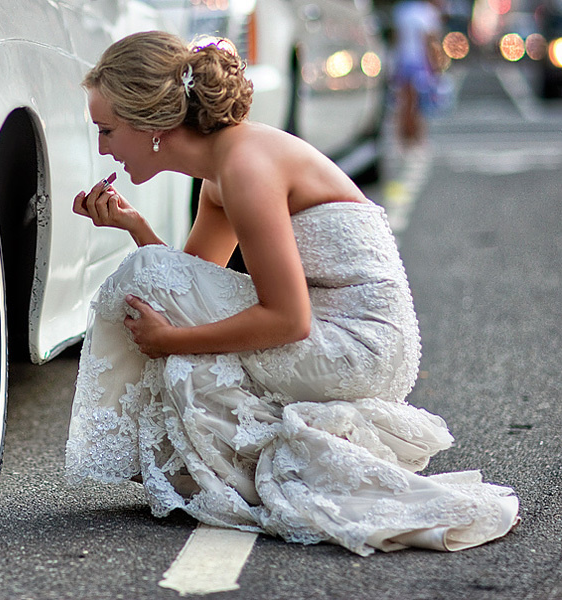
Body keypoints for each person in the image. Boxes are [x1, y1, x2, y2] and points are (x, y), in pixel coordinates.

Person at [63, 31, 518, 556]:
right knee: (151, 282)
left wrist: (171, 342)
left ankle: (226, 468)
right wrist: (134, 226)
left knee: (162, 311)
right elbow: (185, 281)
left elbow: (288, 320)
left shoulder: (245, 168)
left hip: (357, 347)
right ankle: (204, 462)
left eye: (107, 130)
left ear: (154, 126)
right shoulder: (222, 170)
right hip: (335, 332)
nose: (102, 149)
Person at [391, 0, 445, 145]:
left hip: (403, 61)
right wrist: (436, 67)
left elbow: (397, 39)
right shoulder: (428, 13)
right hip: (420, 63)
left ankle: (405, 137)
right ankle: (416, 137)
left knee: (405, 103)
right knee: (420, 105)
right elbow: (430, 43)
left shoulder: (401, 10)